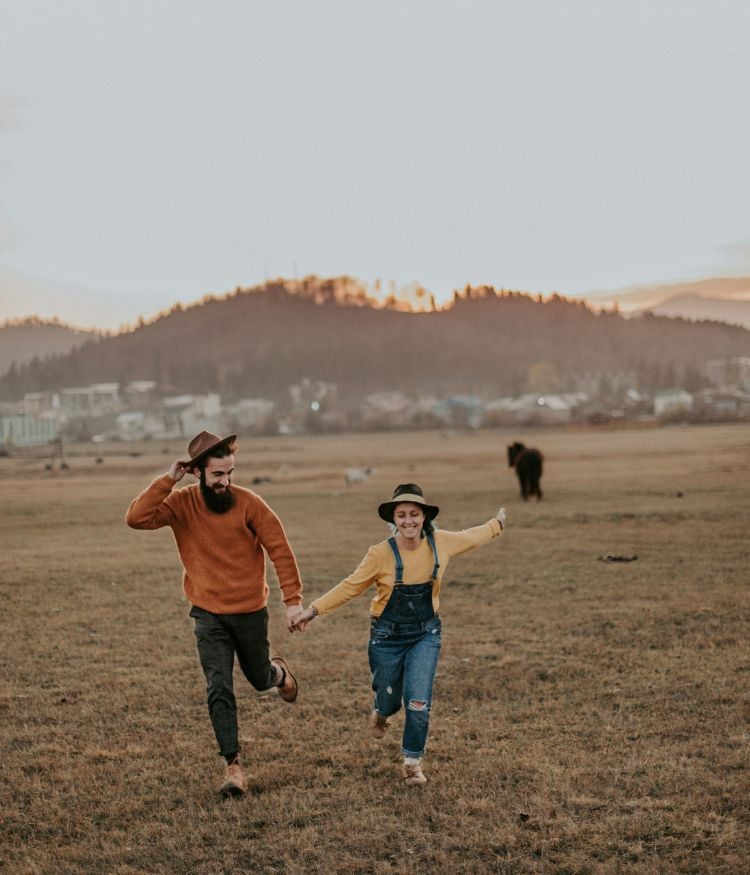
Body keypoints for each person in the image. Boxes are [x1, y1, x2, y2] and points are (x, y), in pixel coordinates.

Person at [125, 431, 304, 798]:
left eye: (230, 473)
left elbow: (280, 550)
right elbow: (136, 518)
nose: (225, 482)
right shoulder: (181, 503)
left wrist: (293, 601)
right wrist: (167, 479)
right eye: (218, 475)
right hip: (207, 613)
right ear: (197, 473)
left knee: (258, 678)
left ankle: (278, 672)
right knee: (218, 685)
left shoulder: (250, 503)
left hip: (250, 611)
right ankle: (233, 767)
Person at [293, 483, 505, 786]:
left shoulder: (440, 543)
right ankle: (382, 711)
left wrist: (496, 525)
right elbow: (351, 586)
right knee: (390, 699)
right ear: (394, 519)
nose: (408, 521)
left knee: (418, 702)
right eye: (402, 515)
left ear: (424, 517)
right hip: (386, 637)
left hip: (425, 634)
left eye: (414, 514)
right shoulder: (380, 554)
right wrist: (312, 610)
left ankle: (412, 762)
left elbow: (472, 537)